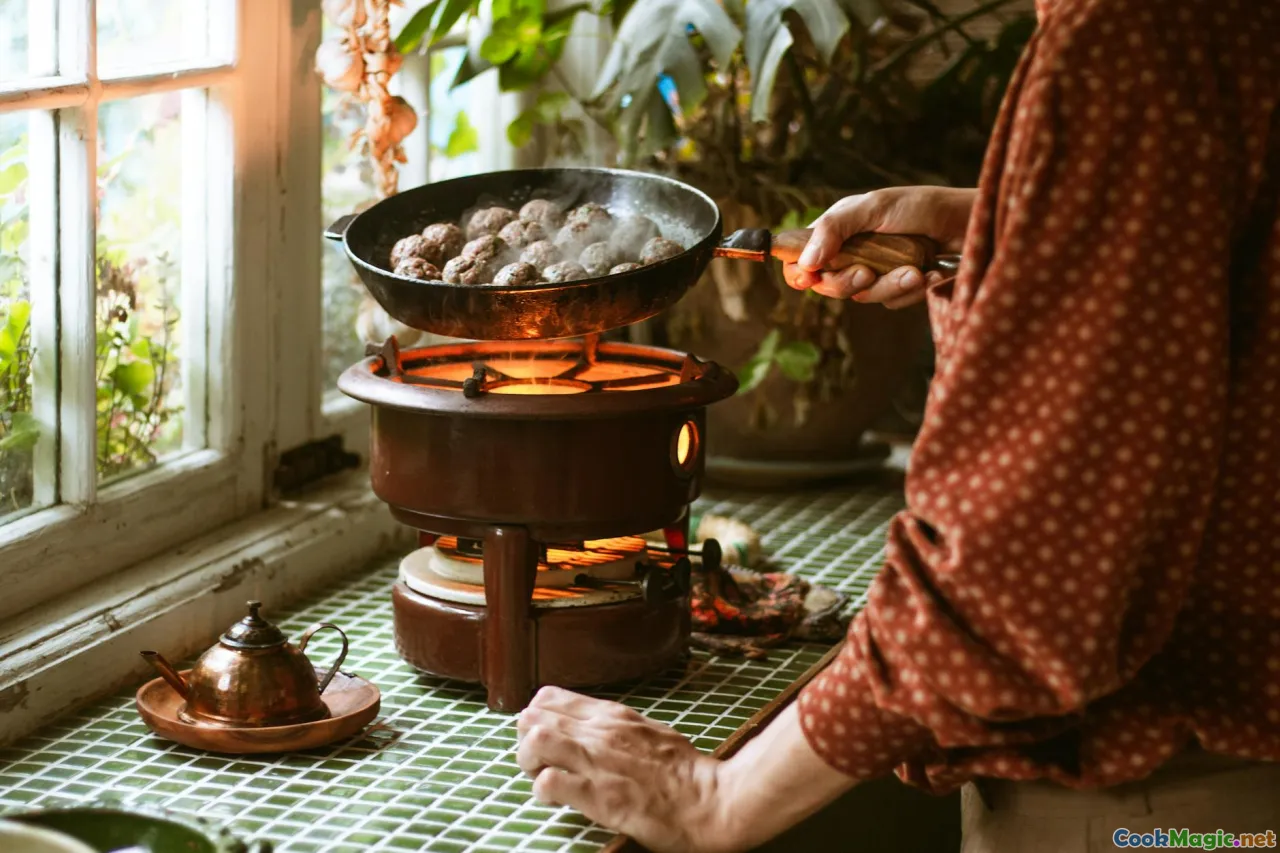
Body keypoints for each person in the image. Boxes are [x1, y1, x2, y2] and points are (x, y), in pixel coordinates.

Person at [515, 0, 1280, 849]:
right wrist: (1004, 227)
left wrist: (719, 795)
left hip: (1171, 811)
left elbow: (1020, 569)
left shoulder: (1137, 34)